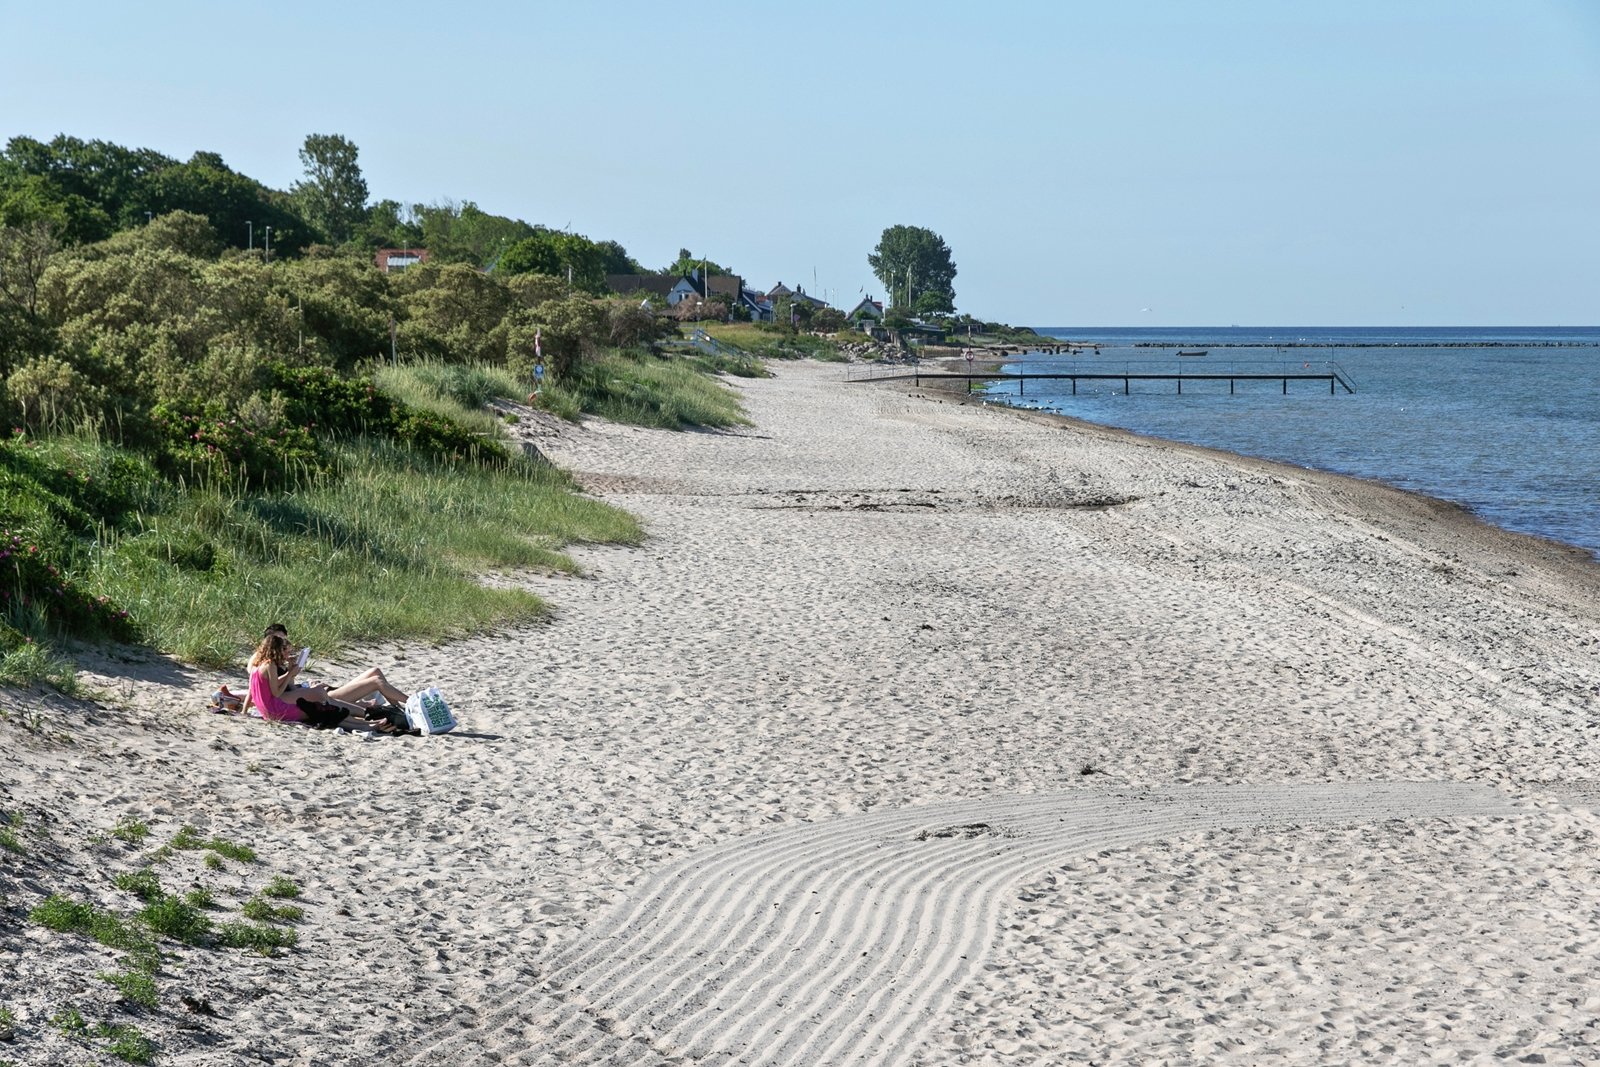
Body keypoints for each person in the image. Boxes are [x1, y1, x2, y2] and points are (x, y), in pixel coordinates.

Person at [241, 624, 410, 720]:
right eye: (281, 642)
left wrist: (293, 672)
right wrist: (293, 676)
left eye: (285, 641)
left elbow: (288, 686)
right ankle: (411, 704)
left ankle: (400, 708)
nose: (286, 645)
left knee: (376, 671)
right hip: (312, 697)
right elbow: (258, 685)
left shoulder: (279, 662)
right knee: (376, 682)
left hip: (308, 692)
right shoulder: (263, 662)